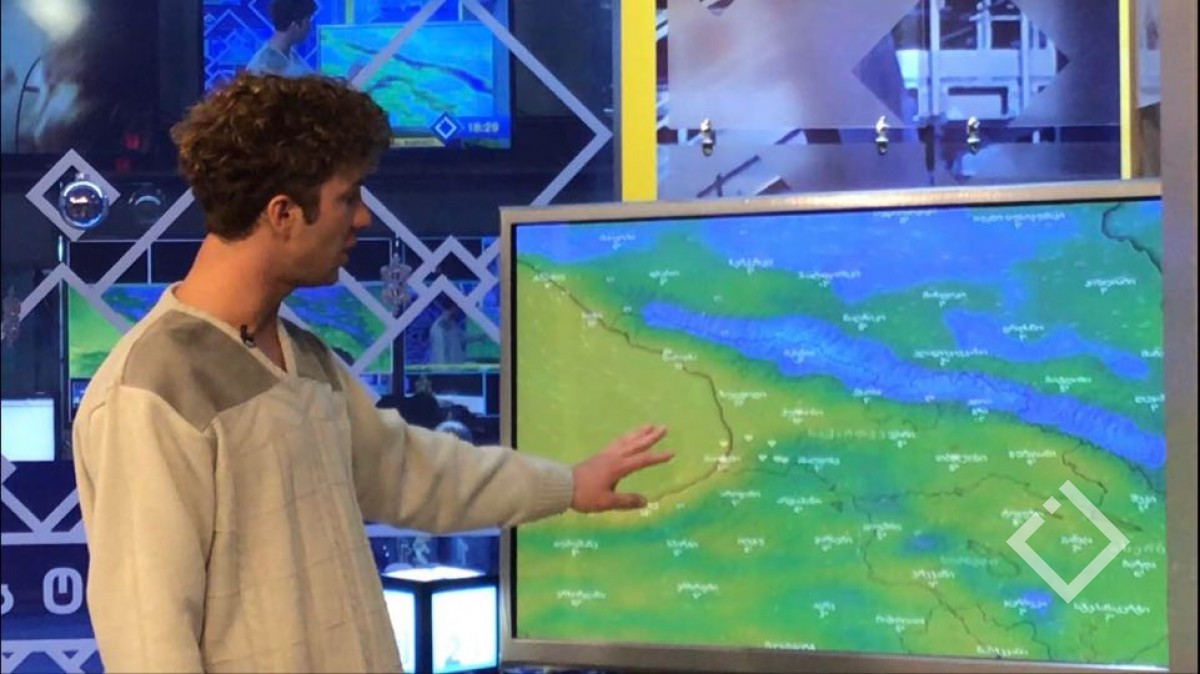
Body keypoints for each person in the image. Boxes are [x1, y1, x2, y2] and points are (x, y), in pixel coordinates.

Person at [70, 72, 673, 673]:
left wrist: (569, 485)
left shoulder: (305, 359)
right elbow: (150, 641)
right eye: (348, 197)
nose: (362, 219)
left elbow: (412, 471)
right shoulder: (150, 391)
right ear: (283, 213)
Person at [245, 0, 317, 78]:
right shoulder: (263, 67)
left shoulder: (291, 56)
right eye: (308, 21)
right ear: (295, 25)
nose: (309, 28)